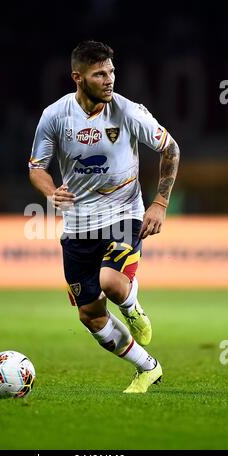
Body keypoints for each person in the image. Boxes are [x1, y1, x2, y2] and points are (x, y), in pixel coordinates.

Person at [29, 40, 180, 393]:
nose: (110, 79)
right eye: (100, 73)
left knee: (111, 283)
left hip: (124, 213)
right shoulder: (55, 116)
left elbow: (170, 148)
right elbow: (36, 167)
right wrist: (51, 192)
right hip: (79, 225)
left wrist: (159, 202)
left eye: (111, 71)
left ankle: (131, 302)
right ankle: (148, 367)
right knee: (90, 316)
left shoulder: (128, 112)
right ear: (77, 78)